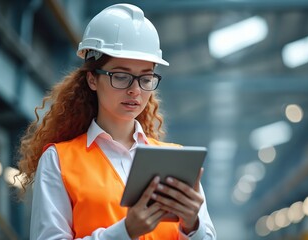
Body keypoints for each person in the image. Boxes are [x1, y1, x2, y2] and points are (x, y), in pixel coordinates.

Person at [17, 3, 216, 240]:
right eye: (121, 76)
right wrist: (125, 232)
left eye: (146, 78)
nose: (135, 90)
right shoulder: (60, 161)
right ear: (92, 79)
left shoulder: (176, 160)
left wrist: (193, 225)